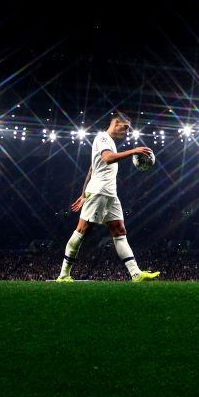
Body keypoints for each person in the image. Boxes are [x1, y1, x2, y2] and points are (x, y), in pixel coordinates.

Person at [56, 114, 160, 283]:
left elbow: (92, 169)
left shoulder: (109, 143)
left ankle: (136, 274)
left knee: (119, 231)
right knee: (82, 231)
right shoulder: (102, 137)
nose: (126, 132)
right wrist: (133, 151)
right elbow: (107, 158)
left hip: (110, 194)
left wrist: (83, 194)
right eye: (125, 127)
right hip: (99, 192)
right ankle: (63, 275)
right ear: (116, 123)